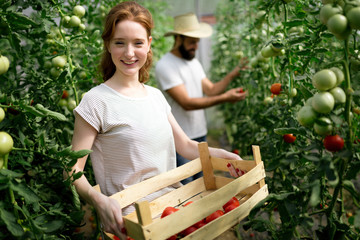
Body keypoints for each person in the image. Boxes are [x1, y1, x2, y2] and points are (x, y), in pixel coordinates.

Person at [65, 2, 241, 239]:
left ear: (148, 44)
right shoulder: (96, 101)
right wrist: (99, 200)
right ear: (108, 45)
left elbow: (186, 146)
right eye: (120, 42)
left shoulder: (155, 96)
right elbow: (72, 169)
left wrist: (223, 155)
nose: (129, 53)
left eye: (138, 43)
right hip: (130, 221)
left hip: (173, 211)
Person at [155, 13, 248, 185]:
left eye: (197, 41)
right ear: (178, 39)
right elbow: (187, 103)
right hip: (182, 140)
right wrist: (226, 98)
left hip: (200, 134)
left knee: (205, 183)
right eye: (192, 41)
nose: (196, 46)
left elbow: (211, 90)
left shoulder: (193, 63)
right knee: (188, 188)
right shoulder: (166, 65)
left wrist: (232, 75)